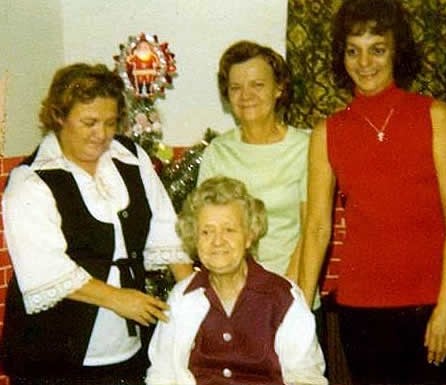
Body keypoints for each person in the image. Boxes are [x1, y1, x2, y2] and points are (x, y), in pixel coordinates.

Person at [299, 1, 446, 384]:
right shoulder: (328, 131)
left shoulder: (434, 116)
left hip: (432, 306)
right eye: (353, 50)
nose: (364, 62)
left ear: (396, 51)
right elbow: (316, 230)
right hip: (361, 311)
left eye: (377, 48)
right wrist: (299, 312)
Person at [1, 63, 192, 385]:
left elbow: (165, 229)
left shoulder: (130, 158)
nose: (101, 134)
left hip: (125, 348)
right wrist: (118, 299)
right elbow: (45, 269)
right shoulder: (31, 180)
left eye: (109, 123)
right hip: (54, 355)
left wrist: (193, 296)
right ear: (59, 117)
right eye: (89, 122)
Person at [145, 176, 328, 385]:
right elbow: (162, 374)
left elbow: (306, 377)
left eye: (229, 230)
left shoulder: (283, 298)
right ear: (194, 239)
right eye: (206, 231)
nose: (217, 241)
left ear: (249, 235)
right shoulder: (181, 297)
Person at [197, 40, 308, 283]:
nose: (246, 95)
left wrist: (286, 291)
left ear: (279, 88)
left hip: (293, 286)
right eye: (236, 87)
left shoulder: (305, 148)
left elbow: (312, 229)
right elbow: (206, 230)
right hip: (232, 292)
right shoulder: (218, 152)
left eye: (257, 85)